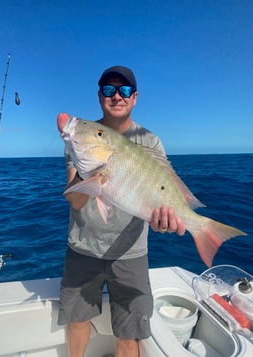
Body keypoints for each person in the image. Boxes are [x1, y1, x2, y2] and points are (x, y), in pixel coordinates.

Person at [58, 65, 186, 357]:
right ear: (99, 95)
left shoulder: (150, 141)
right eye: (109, 90)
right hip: (83, 249)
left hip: (131, 254)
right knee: (78, 319)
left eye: (125, 90)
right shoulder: (84, 135)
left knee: (130, 334)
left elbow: (162, 196)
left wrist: (164, 221)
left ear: (135, 97)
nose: (117, 96)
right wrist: (88, 168)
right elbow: (76, 201)